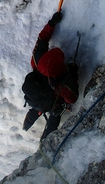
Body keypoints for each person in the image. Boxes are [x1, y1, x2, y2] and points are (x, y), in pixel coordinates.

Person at [22, 11, 79, 140]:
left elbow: (42, 39)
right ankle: (46, 140)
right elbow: (72, 98)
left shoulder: (37, 61)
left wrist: (51, 23)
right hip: (50, 102)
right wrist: (73, 74)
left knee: (38, 106)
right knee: (54, 116)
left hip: (36, 98)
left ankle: (30, 119)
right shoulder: (62, 85)